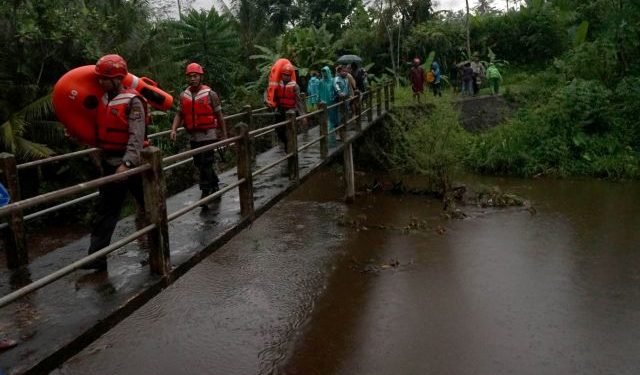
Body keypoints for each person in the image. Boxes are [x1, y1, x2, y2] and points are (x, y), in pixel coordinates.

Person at [82, 54, 147, 271]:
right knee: (106, 211)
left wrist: (127, 164)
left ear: (118, 79)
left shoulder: (133, 100)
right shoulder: (102, 100)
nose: (100, 82)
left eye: (104, 78)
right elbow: (97, 129)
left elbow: (137, 136)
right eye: (99, 78)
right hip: (110, 162)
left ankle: (158, 244)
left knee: (148, 203)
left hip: (133, 164)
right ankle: (96, 257)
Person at [170, 62, 227, 209]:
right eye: (189, 76)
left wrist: (224, 135)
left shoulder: (210, 94)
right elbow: (179, 114)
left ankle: (205, 193)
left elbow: (219, 115)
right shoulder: (184, 95)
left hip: (208, 135)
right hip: (194, 136)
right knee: (199, 163)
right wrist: (173, 129)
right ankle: (215, 185)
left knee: (205, 163)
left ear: (200, 77)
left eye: (195, 76)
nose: (192, 79)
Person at [267, 63, 306, 152]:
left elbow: (299, 101)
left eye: (288, 75)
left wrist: (302, 115)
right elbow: (272, 95)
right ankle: (287, 144)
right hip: (280, 110)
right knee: (279, 130)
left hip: (291, 111)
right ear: (282, 75)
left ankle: (290, 149)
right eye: (285, 75)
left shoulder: (295, 86)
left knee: (290, 130)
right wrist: (269, 102)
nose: (286, 77)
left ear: (290, 75)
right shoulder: (277, 84)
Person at [318, 66, 338, 145]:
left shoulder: (333, 80)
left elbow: (335, 90)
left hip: (332, 103)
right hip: (323, 104)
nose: (324, 73)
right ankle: (326, 139)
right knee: (325, 120)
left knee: (332, 120)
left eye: (325, 71)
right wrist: (318, 101)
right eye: (323, 71)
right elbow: (318, 92)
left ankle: (332, 138)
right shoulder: (321, 81)